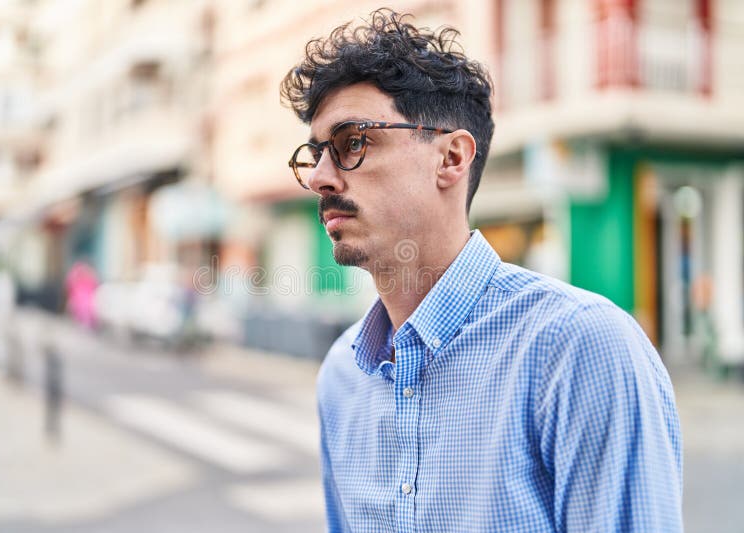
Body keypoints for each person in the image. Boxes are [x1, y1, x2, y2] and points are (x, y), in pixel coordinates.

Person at [281, 9, 682, 533]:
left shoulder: (577, 348)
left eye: (353, 142)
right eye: (315, 154)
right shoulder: (341, 376)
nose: (320, 177)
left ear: (451, 158)